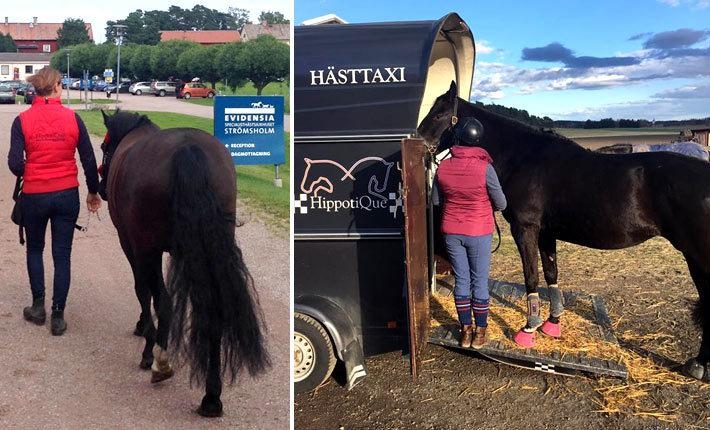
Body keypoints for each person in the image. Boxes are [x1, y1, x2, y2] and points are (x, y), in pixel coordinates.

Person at [7, 66, 101, 336]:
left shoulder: (22, 121)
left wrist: (33, 170)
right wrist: (93, 192)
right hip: (66, 194)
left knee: (34, 250)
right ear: (57, 86)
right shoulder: (73, 119)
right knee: (62, 255)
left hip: (35, 195)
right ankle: (58, 315)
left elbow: (15, 164)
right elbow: (88, 160)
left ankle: (38, 308)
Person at [434, 117, 506, 349]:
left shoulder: (443, 167)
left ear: (458, 139)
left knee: (462, 281)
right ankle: (480, 332)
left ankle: (465, 331)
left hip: (452, 231)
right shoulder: (486, 168)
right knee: (479, 281)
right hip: (479, 231)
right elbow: (502, 203)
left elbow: (436, 200)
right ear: (478, 140)